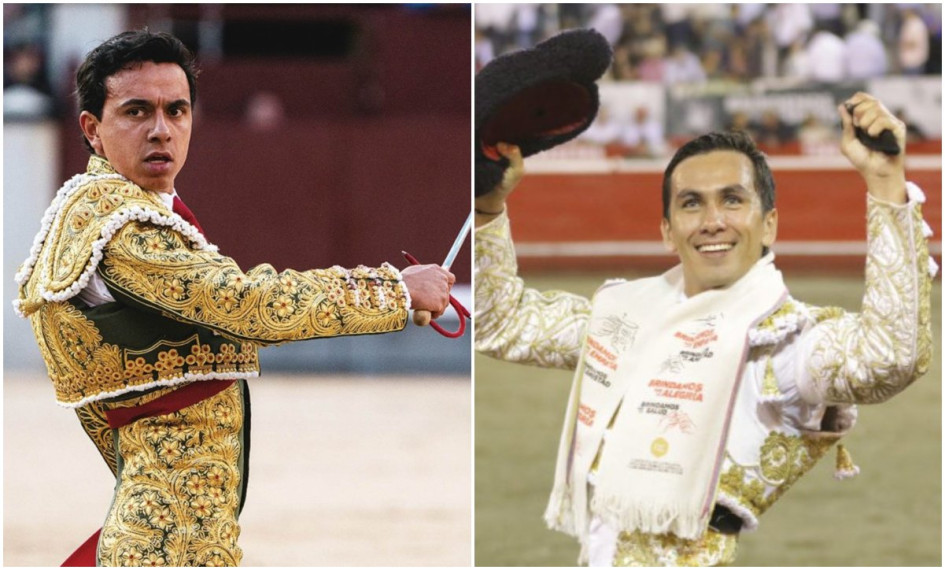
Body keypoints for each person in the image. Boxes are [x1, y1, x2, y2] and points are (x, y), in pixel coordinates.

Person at [13, 29, 454, 566]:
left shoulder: (104, 208)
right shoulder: (119, 226)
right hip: (169, 540)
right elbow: (245, 305)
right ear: (92, 129)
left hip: (170, 524)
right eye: (136, 112)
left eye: (177, 110)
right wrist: (393, 291)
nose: (161, 130)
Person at [474, 93, 934, 566]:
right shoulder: (626, 317)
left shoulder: (785, 343)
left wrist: (884, 182)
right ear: (668, 231)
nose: (713, 222)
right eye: (692, 204)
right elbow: (501, 323)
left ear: (769, 224)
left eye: (732, 200)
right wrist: (488, 207)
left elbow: (891, 357)